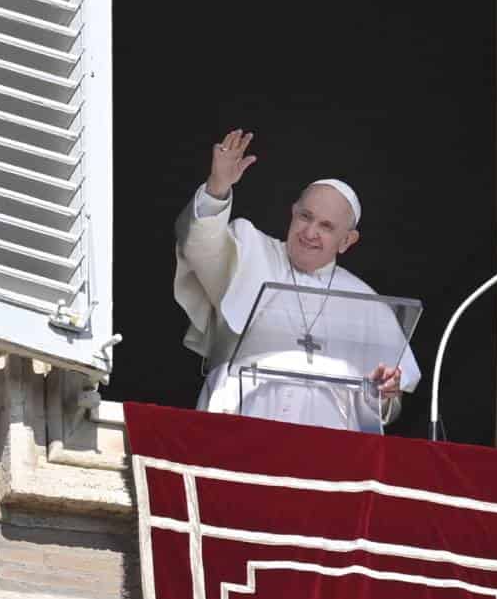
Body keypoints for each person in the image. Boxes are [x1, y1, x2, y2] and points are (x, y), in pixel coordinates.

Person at [173, 129, 421, 432]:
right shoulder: (249, 249)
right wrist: (218, 187)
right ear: (292, 213)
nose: (310, 232)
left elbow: (386, 407)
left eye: (326, 226)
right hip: (242, 420)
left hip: (329, 443)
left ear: (347, 241)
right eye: (305, 217)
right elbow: (197, 244)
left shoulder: (367, 302)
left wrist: (383, 396)